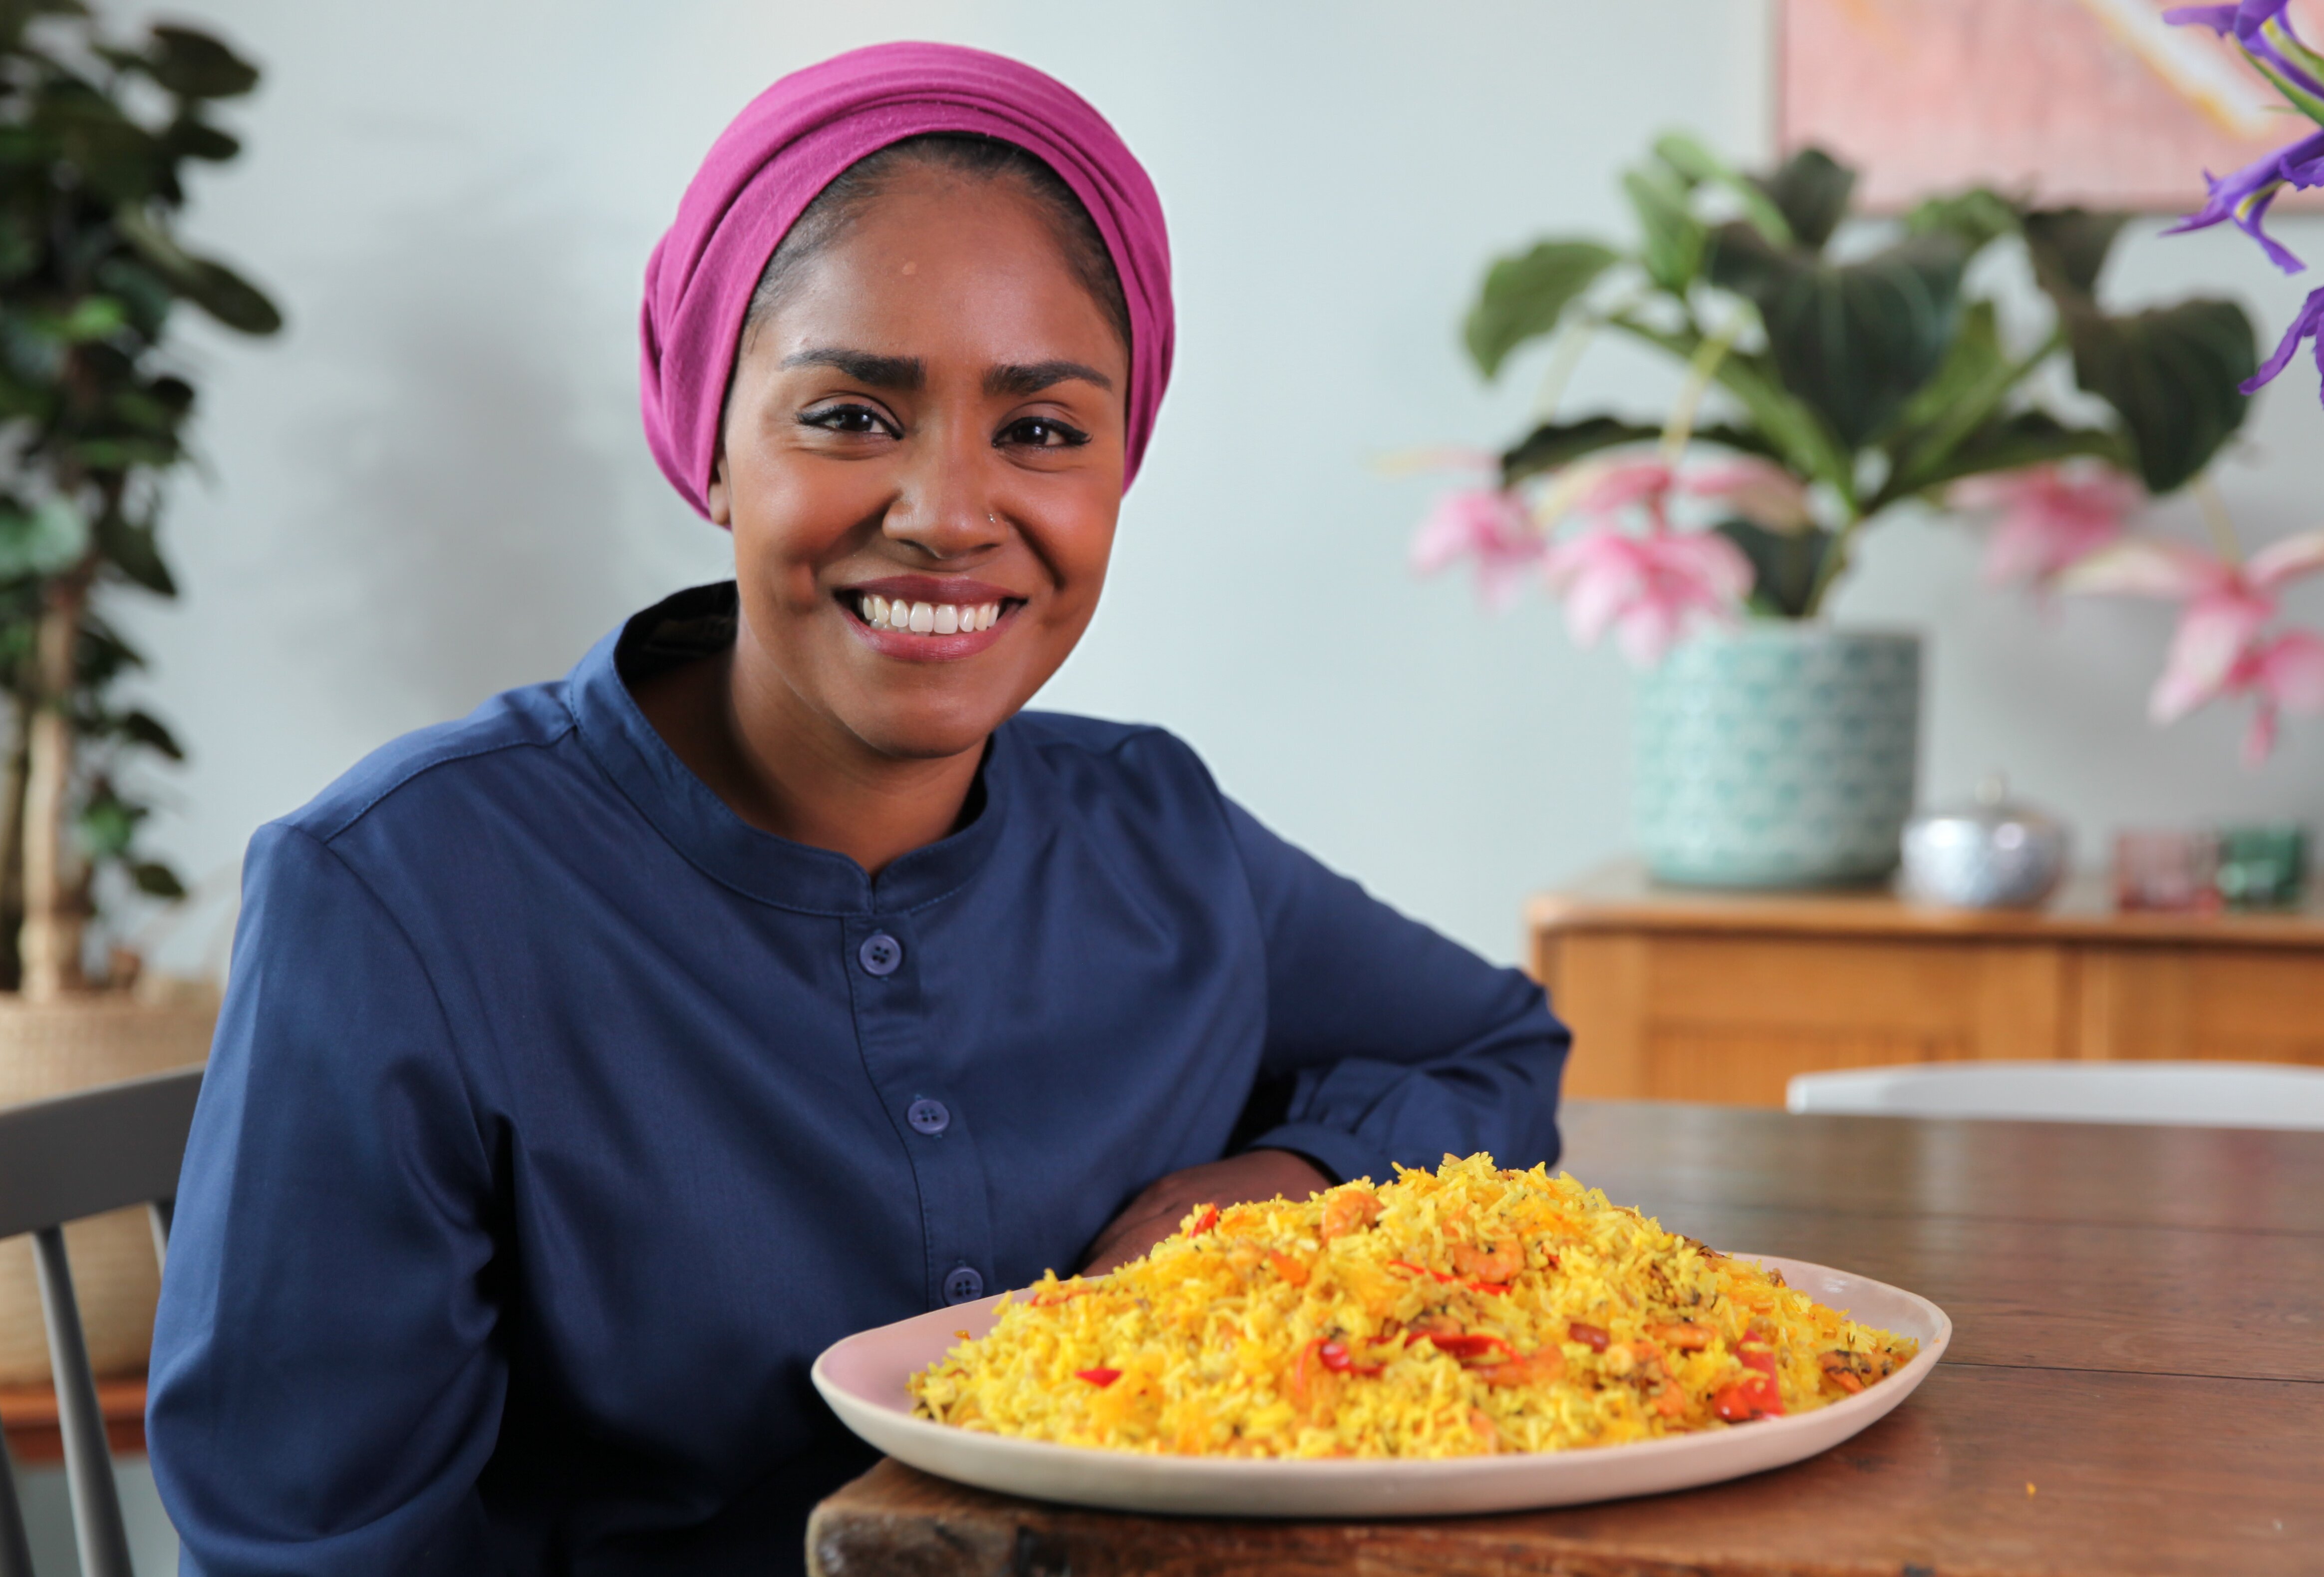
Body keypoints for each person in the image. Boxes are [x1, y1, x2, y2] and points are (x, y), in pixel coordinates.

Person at [146, 40, 1566, 1576]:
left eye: (1040, 430)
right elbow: (318, 1544)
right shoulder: (404, 896)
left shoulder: (1155, 836)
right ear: (710, 438)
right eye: (849, 417)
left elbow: (1490, 1047)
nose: (952, 514)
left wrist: (1268, 1192)